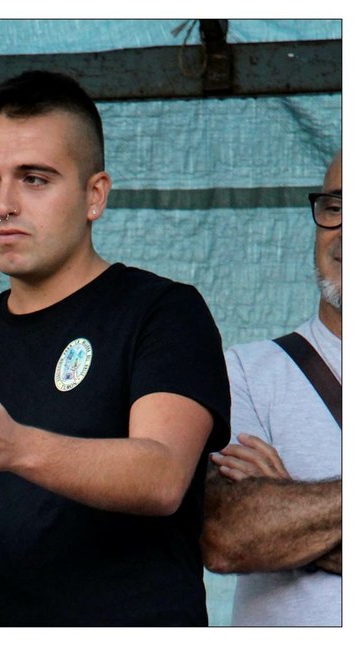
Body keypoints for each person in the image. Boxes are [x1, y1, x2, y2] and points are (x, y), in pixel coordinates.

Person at [0, 70, 230, 626]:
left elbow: (163, 476)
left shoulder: (162, 312)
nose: (4, 204)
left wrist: (17, 446)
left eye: (34, 179)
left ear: (95, 195)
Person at [201, 151, 342, 626]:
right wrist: (262, 519)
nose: (345, 230)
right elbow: (229, 534)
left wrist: (287, 504)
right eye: (334, 207)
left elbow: (265, 530)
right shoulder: (244, 371)